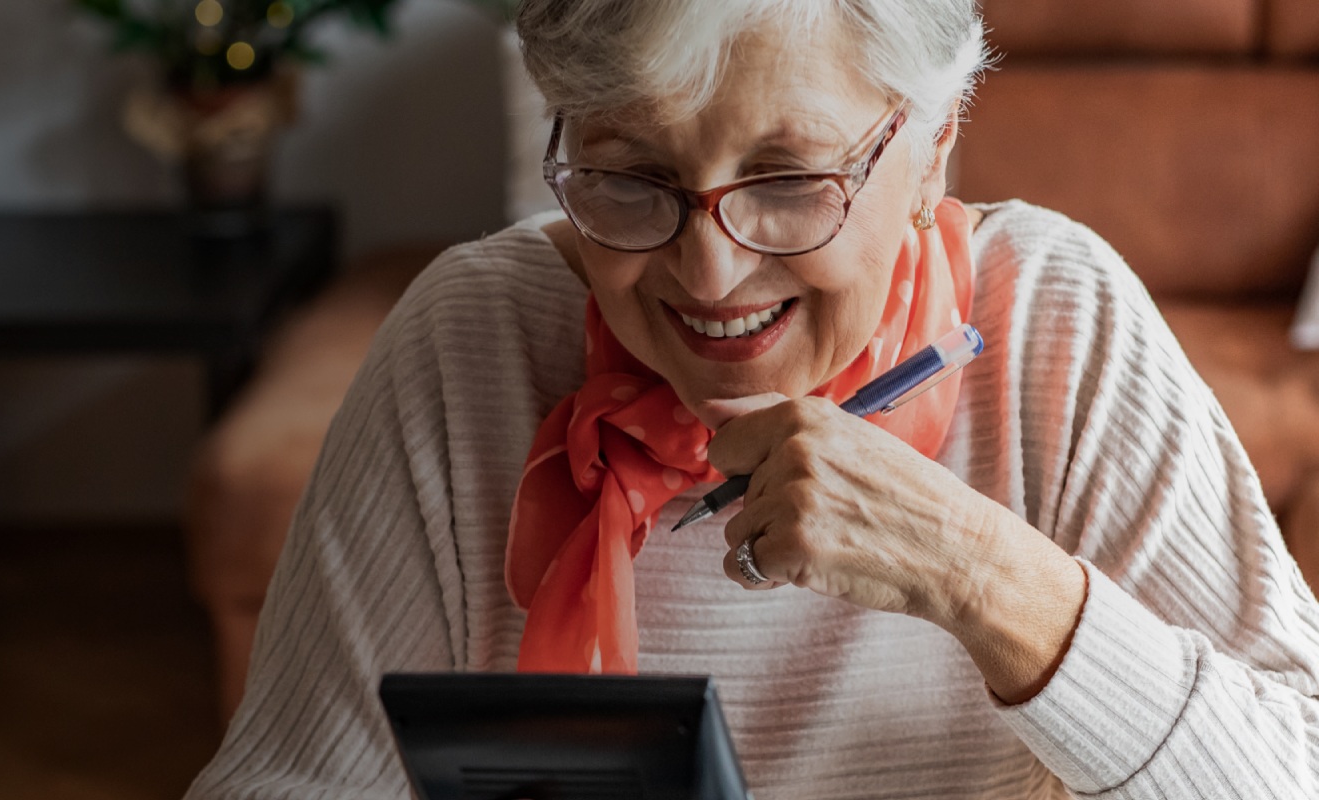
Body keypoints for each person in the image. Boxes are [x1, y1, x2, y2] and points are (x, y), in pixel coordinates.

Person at [185, 0, 1319, 796]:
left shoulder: (1054, 320)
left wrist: (980, 575)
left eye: (786, 182)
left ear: (928, 156)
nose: (708, 274)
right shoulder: (469, 337)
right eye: (631, 178)